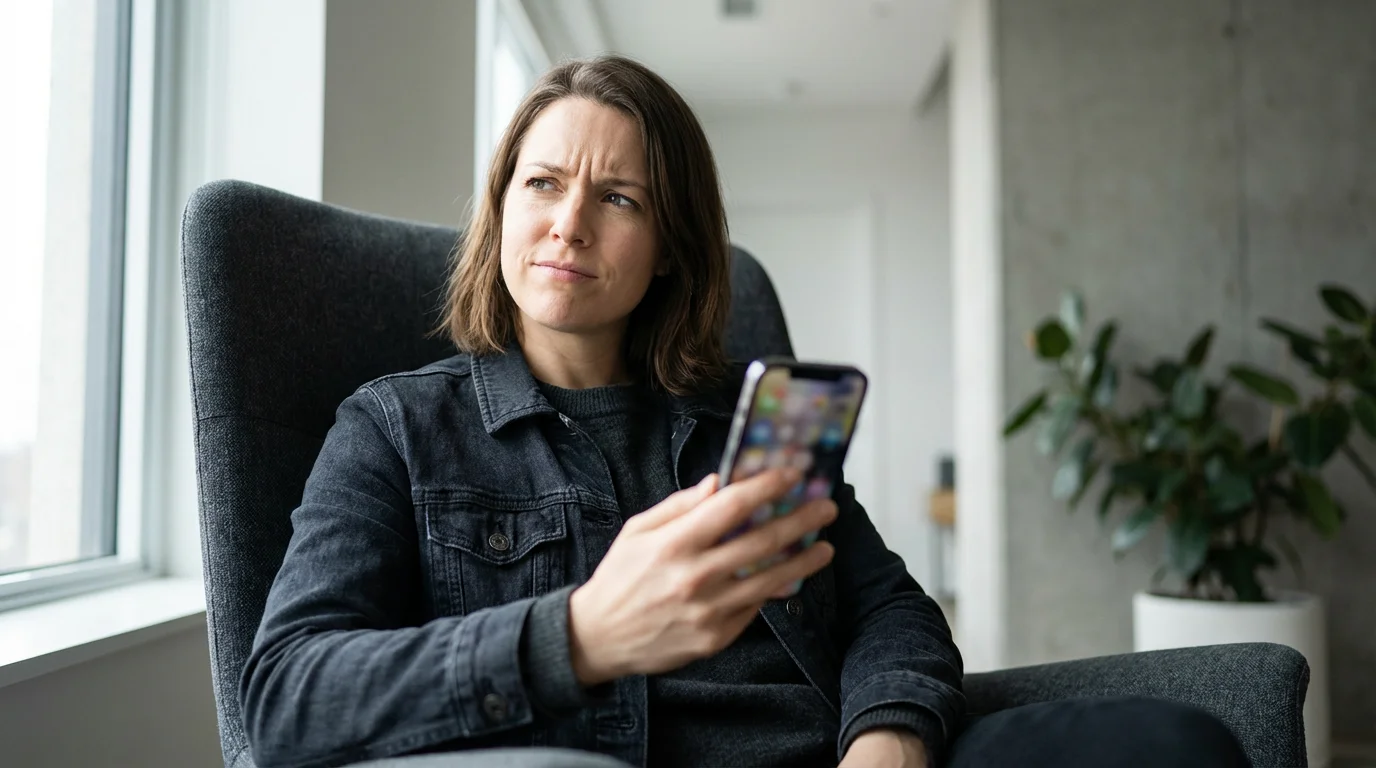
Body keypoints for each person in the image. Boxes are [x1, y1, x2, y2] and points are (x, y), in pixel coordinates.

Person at [240, 55, 1249, 768]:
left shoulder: (741, 424)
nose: (568, 223)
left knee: (1176, 742)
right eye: (540, 183)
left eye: (619, 199)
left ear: (671, 245)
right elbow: (285, 698)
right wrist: (579, 634)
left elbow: (888, 607)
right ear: (502, 204)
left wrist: (887, 736)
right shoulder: (394, 430)